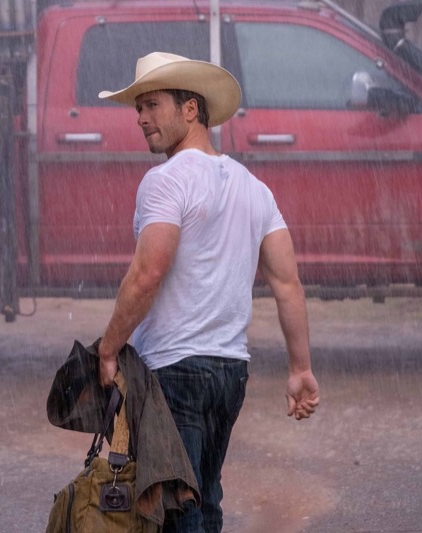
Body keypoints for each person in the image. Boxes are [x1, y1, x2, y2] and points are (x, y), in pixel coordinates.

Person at [95, 52, 320, 532]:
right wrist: (300, 368)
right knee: (207, 498)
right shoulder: (254, 188)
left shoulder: (165, 181)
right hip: (229, 374)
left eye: (152, 105)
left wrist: (108, 348)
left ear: (191, 109)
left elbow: (147, 274)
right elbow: (287, 284)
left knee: (179, 510)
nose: (141, 118)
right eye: (138, 109)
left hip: (176, 372)